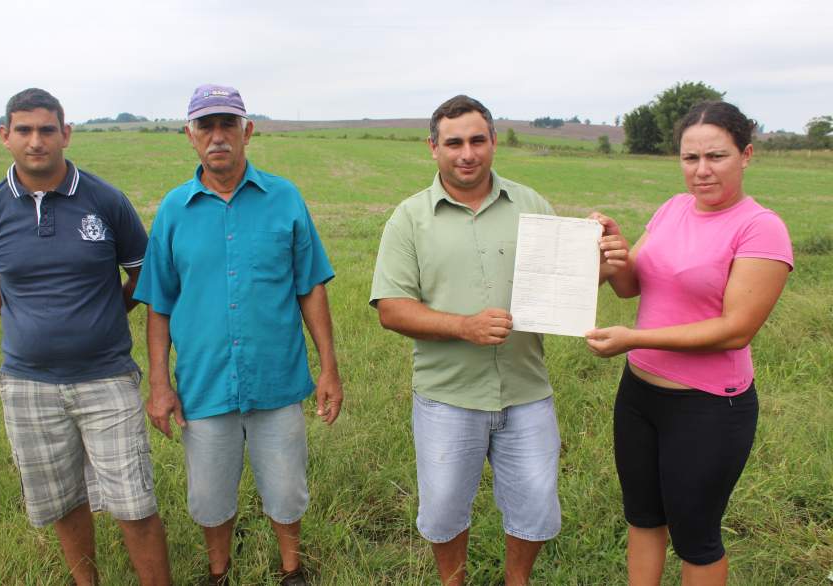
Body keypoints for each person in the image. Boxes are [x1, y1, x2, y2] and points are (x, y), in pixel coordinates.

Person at [370, 94, 626, 586]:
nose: (467, 153)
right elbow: (391, 308)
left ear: (492, 142)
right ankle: (453, 580)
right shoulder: (409, 218)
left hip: (526, 390)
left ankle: (518, 580)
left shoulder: (529, 204)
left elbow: (557, 288)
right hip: (448, 395)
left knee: (535, 502)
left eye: (477, 140)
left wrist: (599, 264)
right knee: (444, 507)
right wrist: (464, 327)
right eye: (454, 143)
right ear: (433, 148)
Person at [0, 88, 171, 586]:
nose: (37, 141)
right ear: (4, 136)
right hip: (27, 384)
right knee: (63, 500)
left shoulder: (105, 200)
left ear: (66, 134)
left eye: (47, 130)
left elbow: (143, 274)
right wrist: (26, 321)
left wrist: (104, 315)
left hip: (107, 379)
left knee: (134, 503)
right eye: (25, 130)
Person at [134, 84, 343, 586]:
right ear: (190, 135)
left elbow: (310, 288)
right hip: (205, 384)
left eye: (228, 124)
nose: (218, 135)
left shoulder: (285, 199)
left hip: (277, 378)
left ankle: (292, 569)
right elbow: (159, 305)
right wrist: (160, 384)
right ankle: (218, 571)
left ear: (247, 131)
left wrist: (329, 369)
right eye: (206, 125)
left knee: (287, 489)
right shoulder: (174, 210)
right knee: (209, 495)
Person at [586, 101, 793, 586]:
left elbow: (735, 328)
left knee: (696, 536)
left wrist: (634, 338)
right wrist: (614, 250)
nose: (701, 171)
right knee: (642, 517)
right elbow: (633, 285)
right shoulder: (673, 208)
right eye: (689, 158)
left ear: (746, 155)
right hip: (639, 395)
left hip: (707, 408)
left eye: (716, 156)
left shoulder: (761, 227)